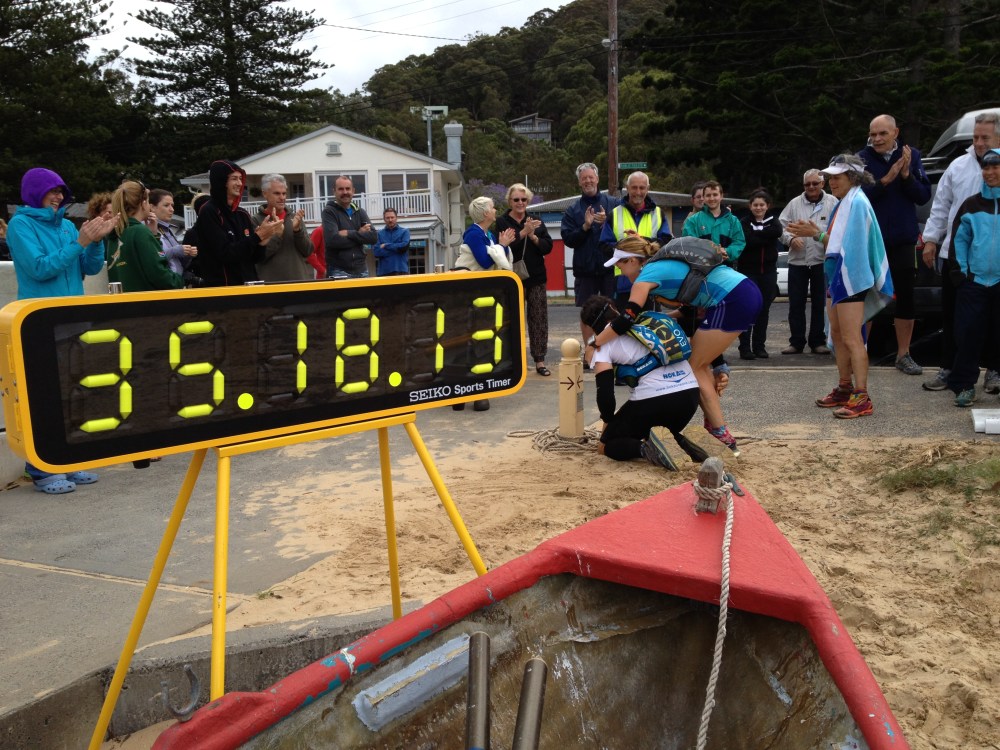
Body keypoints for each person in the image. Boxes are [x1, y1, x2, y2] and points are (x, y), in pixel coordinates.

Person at [592, 235, 762, 455]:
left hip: (731, 299)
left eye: (619, 265)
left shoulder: (645, 277)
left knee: (695, 367)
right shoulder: (663, 267)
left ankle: (722, 436)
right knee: (700, 362)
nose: (619, 272)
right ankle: (714, 426)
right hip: (744, 290)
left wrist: (595, 342)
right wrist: (719, 364)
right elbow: (689, 314)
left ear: (633, 261)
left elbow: (626, 318)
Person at [6, 167, 117, 493]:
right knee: (42, 398)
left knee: (72, 395)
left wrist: (96, 241)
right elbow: (40, 268)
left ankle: (67, 461)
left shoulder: (68, 226)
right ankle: (40, 469)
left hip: (72, 320)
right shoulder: (20, 225)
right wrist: (81, 241)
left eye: (62, 192)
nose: (59, 197)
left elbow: (90, 267)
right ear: (34, 192)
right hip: (37, 322)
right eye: (52, 191)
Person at [788, 154, 894, 419]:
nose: (830, 181)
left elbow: (850, 247)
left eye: (837, 176)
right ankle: (845, 388)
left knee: (851, 338)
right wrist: (817, 233)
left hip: (851, 278)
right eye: (830, 176)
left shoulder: (856, 203)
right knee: (837, 334)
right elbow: (839, 242)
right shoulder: (847, 202)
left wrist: (816, 234)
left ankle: (862, 396)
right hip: (838, 277)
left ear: (853, 177)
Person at [921, 111, 1000, 393]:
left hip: (993, 264)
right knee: (954, 318)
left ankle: (994, 371)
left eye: (985, 138)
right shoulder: (957, 166)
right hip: (955, 258)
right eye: (976, 137)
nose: (979, 143)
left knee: (993, 322)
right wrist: (931, 239)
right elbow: (940, 206)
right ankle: (949, 368)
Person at [581, 295, 706, 470]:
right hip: (690, 397)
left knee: (609, 445)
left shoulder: (601, 345)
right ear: (614, 308)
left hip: (656, 401)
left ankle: (647, 450)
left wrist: (607, 431)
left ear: (590, 326)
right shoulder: (646, 320)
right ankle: (684, 442)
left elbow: (606, 396)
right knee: (655, 431)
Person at [858, 114, 931, 375]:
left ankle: (904, 354)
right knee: (867, 295)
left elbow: (923, 197)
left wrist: (907, 175)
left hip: (902, 240)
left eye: (882, 134)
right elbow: (857, 197)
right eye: (873, 134)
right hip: (870, 240)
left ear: (895, 132)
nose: (876, 139)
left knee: (905, 297)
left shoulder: (912, 155)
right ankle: (860, 352)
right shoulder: (861, 160)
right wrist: (886, 180)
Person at [945, 148, 1000, 407]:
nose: (990, 172)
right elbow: (959, 241)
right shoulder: (971, 205)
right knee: (968, 335)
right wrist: (962, 276)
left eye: (996, 167)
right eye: (986, 168)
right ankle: (965, 385)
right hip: (975, 282)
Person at [194, 160, 282, 286]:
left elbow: (254, 258)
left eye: (241, 178)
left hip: (249, 286)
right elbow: (225, 253)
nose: (240, 183)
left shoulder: (243, 214)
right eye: (234, 179)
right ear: (221, 181)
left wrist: (262, 242)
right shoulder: (209, 212)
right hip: (223, 290)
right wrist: (257, 237)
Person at [778, 169, 838, 354]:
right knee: (796, 303)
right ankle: (796, 342)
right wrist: (789, 239)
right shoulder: (794, 203)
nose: (811, 187)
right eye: (807, 184)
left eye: (815, 183)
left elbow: (839, 226)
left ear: (822, 183)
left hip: (822, 260)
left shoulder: (833, 202)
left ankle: (818, 341)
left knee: (821, 303)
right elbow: (780, 225)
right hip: (798, 261)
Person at [496, 184, 553, 375]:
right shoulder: (502, 222)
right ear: (509, 201)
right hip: (512, 279)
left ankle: (540, 361)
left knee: (538, 320)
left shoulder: (536, 221)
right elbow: (504, 248)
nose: (520, 203)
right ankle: (514, 361)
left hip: (536, 278)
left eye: (524, 199)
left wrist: (534, 237)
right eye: (516, 200)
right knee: (512, 321)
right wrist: (523, 232)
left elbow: (548, 247)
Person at [598, 171, 672, 305]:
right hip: (623, 282)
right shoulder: (614, 214)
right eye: (634, 187)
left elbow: (666, 243)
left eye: (642, 188)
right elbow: (604, 245)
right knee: (623, 324)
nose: (638, 192)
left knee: (650, 323)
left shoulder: (658, 214)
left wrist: (640, 241)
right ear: (627, 188)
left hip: (651, 281)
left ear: (648, 189)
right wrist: (628, 246)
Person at [561, 162, 618, 309]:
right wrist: (585, 227)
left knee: (613, 311)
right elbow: (568, 239)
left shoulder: (614, 204)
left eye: (591, 177)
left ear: (597, 179)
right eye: (584, 178)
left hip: (611, 270)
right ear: (579, 182)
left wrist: (608, 222)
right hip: (585, 272)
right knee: (586, 314)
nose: (588, 181)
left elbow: (625, 232)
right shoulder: (572, 210)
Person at [110, 180, 185, 292]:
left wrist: (154, 236)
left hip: (124, 303)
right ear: (143, 203)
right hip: (146, 304)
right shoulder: (140, 231)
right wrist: (180, 281)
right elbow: (158, 274)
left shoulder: (116, 232)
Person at [737, 188, 782, 359]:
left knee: (764, 310)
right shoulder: (743, 222)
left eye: (761, 205)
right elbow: (748, 241)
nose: (758, 207)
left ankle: (759, 346)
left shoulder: (774, 221)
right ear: (750, 206)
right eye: (755, 204)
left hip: (768, 272)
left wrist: (758, 234)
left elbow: (777, 232)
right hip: (748, 271)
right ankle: (744, 347)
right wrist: (764, 236)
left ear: (767, 206)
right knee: (748, 309)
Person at [252, 173, 312, 282]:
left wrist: (297, 231)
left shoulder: (295, 218)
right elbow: (257, 258)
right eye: (277, 193)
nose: (282, 198)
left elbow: (308, 251)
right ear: (265, 194)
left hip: (298, 283)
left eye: (284, 193)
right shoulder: (255, 221)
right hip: (270, 287)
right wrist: (277, 236)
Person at [322, 175, 377, 279]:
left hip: (362, 270)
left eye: (348, 189)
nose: (345, 192)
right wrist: (360, 234)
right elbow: (333, 240)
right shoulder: (329, 212)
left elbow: (373, 237)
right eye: (341, 189)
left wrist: (349, 233)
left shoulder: (360, 212)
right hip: (338, 271)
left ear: (353, 191)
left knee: (366, 296)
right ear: (334, 191)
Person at [681, 180, 745, 265]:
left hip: (726, 268)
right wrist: (711, 253)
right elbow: (688, 245)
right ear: (703, 197)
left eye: (715, 194)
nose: (711, 198)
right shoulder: (692, 221)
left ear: (721, 196)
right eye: (708, 195)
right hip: (700, 269)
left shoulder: (733, 221)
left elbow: (739, 242)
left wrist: (727, 251)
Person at [149, 189, 197, 275]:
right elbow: (152, 260)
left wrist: (187, 255)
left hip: (177, 282)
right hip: (163, 284)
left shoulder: (169, 229)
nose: (172, 209)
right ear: (152, 207)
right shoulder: (146, 228)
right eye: (166, 205)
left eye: (172, 205)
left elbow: (178, 263)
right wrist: (174, 251)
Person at [373, 207, 411, 276]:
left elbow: (404, 247)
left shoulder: (405, 232)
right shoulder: (379, 234)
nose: (390, 220)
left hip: (401, 271)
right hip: (384, 272)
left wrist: (386, 245)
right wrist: (397, 249)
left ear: (396, 218)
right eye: (387, 218)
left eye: (392, 217)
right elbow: (376, 252)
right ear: (384, 219)